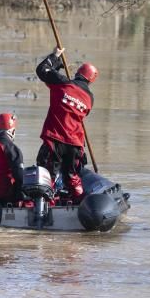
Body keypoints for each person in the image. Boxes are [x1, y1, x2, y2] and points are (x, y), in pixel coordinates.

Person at [35, 46, 97, 201]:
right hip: (75, 143)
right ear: (90, 81)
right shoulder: (90, 99)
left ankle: (45, 204)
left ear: (77, 73)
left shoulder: (63, 84)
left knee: (47, 172)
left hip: (55, 138)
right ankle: (79, 200)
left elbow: (42, 70)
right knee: (71, 175)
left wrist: (55, 56)